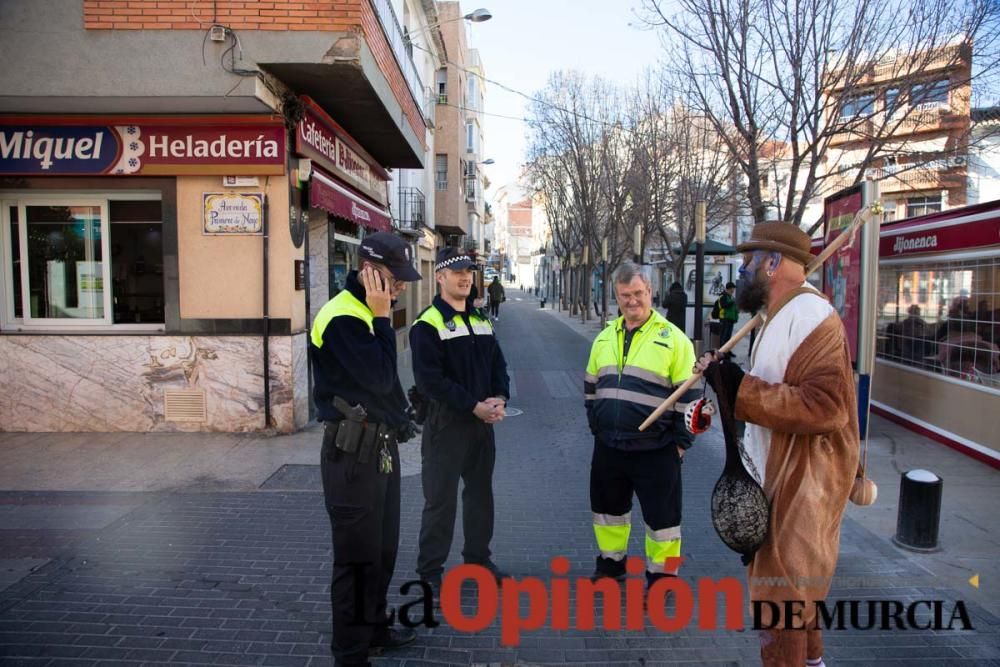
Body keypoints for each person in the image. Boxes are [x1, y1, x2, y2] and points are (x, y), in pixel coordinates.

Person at [695, 222, 859, 667]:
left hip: (801, 486)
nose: (743, 269)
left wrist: (740, 388)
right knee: (796, 599)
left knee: (781, 600)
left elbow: (826, 407)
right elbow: (773, 388)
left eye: (750, 260)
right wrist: (728, 379)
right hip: (777, 478)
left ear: (772, 263)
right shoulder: (777, 314)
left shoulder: (811, 318)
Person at [310, 232, 422, 667]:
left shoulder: (367, 312)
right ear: (368, 271)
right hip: (350, 456)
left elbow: (387, 387)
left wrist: (402, 418)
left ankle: (375, 628)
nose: (400, 288)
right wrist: (381, 317)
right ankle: (350, 653)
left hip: (380, 449)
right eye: (395, 279)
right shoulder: (343, 316)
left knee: (383, 550)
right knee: (356, 558)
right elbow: (377, 377)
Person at [584, 262, 701, 588]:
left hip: (658, 449)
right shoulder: (604, 338)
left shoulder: (674, 340)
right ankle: (611, 567)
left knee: (664, 521)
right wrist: (597, 427)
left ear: (650, 292)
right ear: (616, 297)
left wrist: (680, 445)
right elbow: (590, 388)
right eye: (625, 295)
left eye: (638, 293)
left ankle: (664, 577)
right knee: (608, 514)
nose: (632, 301)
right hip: (610, 446)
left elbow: (691, 398)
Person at [412, 247, 511, 595]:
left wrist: (500, 397)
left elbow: (498, 365)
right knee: (440, 500)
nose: (465, 276)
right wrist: (473, 405)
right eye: (456, 271)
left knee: (481, 495)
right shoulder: (427, 324)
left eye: (468, 271)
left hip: (482, 427)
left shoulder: (481, 320)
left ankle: (478, 559)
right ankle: (430, 572)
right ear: (440, 277)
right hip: (447, 426)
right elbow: (430, 381)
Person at [716, 281, 739, 348]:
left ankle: (727, 352)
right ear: (729, 288)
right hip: (724, 319)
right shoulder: (723, 296)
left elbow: (734, 309)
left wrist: (736, 317)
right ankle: (722, 352)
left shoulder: (731, 297)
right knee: (724, 337)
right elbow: (723, 305)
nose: (734, 290)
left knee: (728, 337)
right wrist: (732, 302)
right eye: (733, 288)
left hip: (730, 319)